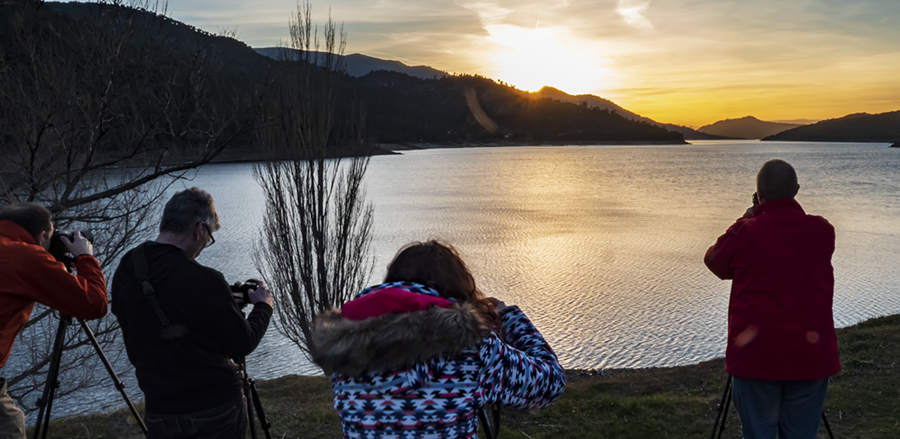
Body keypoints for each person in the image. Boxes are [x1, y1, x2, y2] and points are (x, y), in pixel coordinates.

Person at [312, 240, 566, 438]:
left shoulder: (345, 349)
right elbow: (550, 383)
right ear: (456, 290)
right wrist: (509, 318)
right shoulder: (473, 350)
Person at [111, 188, 273, 439]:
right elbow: (243, 342)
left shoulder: (128, 266)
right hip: (213, 409)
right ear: (200, 229)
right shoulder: (205, 280)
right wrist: (263, 306)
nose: (205, 244)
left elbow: (154, 309)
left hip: (159, 409)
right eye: (209, 237)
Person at [704, 159, 840, 439]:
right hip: (810, 357)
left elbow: (716, 262)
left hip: (756, 358)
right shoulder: (822, 231)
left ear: (758, 193)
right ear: (797, 190)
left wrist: (746, 217)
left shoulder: (747, 232)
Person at [0, 203, 108, 439]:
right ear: (40, 237)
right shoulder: (24, 257)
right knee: (10, 427)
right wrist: (85, 257)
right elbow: (95, 303)